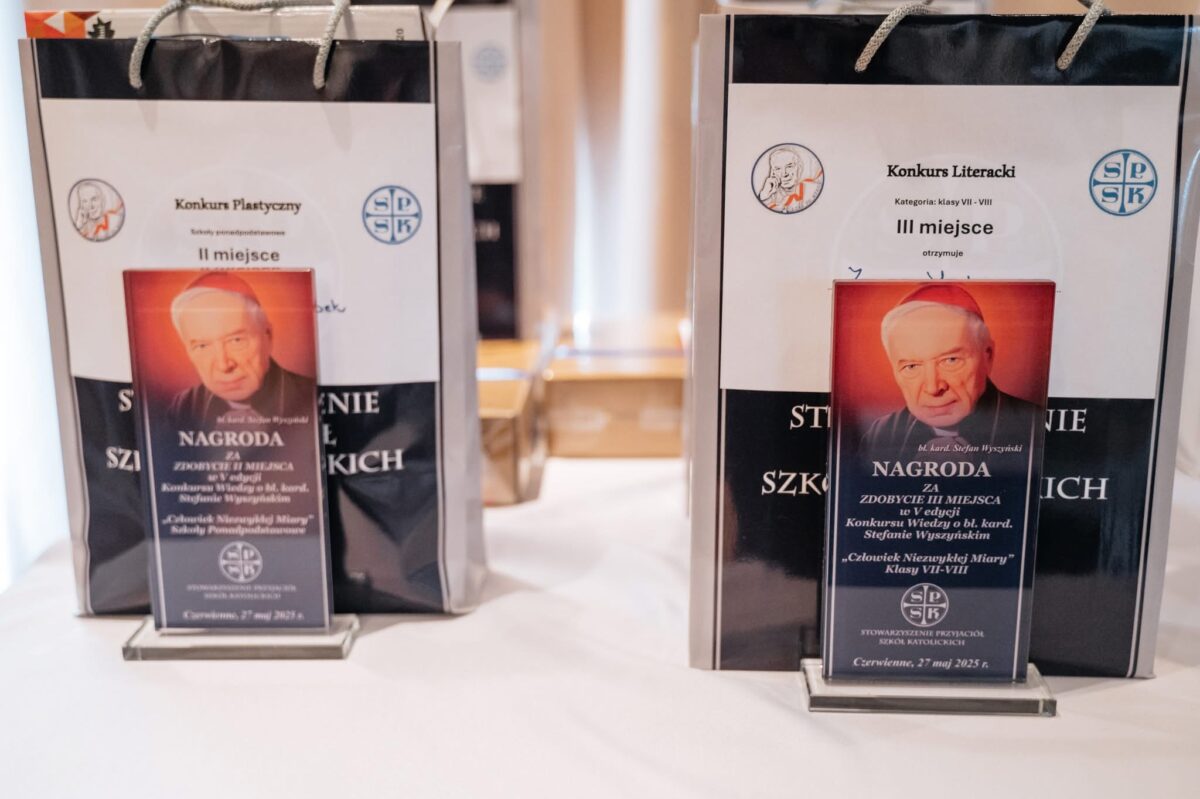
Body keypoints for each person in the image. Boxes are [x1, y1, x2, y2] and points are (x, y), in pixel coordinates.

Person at [861, 284, 1040, 461]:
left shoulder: (1036, 426)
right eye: (912, 366)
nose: (933, 388)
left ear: (988, 356)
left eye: (951, 360)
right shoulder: (879, 436)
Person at [168, 272, 314, 428]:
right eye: (202, 346)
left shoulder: (311, 398)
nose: (224, 365)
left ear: (268, 336)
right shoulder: (182, 407)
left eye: (236, 340)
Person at [757, 146, 822, 213]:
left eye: (789, 166)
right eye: (778, 169)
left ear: (799, 168)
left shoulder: (812, 189)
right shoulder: (768, 199)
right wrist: (764, 195)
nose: (784, 173)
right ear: (772, 173)